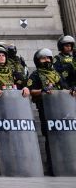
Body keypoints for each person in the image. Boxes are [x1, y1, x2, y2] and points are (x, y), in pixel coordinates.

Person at [28, 48, 75, 176]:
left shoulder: (56, 74)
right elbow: (31, 90)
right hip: (46, 111)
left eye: (48, 58)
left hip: (62, 111)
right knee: (50, 138)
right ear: (38, 61)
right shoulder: (35, 75)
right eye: (43, 58)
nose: (46, 60)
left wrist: (72, 90)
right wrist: (42, 90)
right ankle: (52, 166)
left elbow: (65, 88)